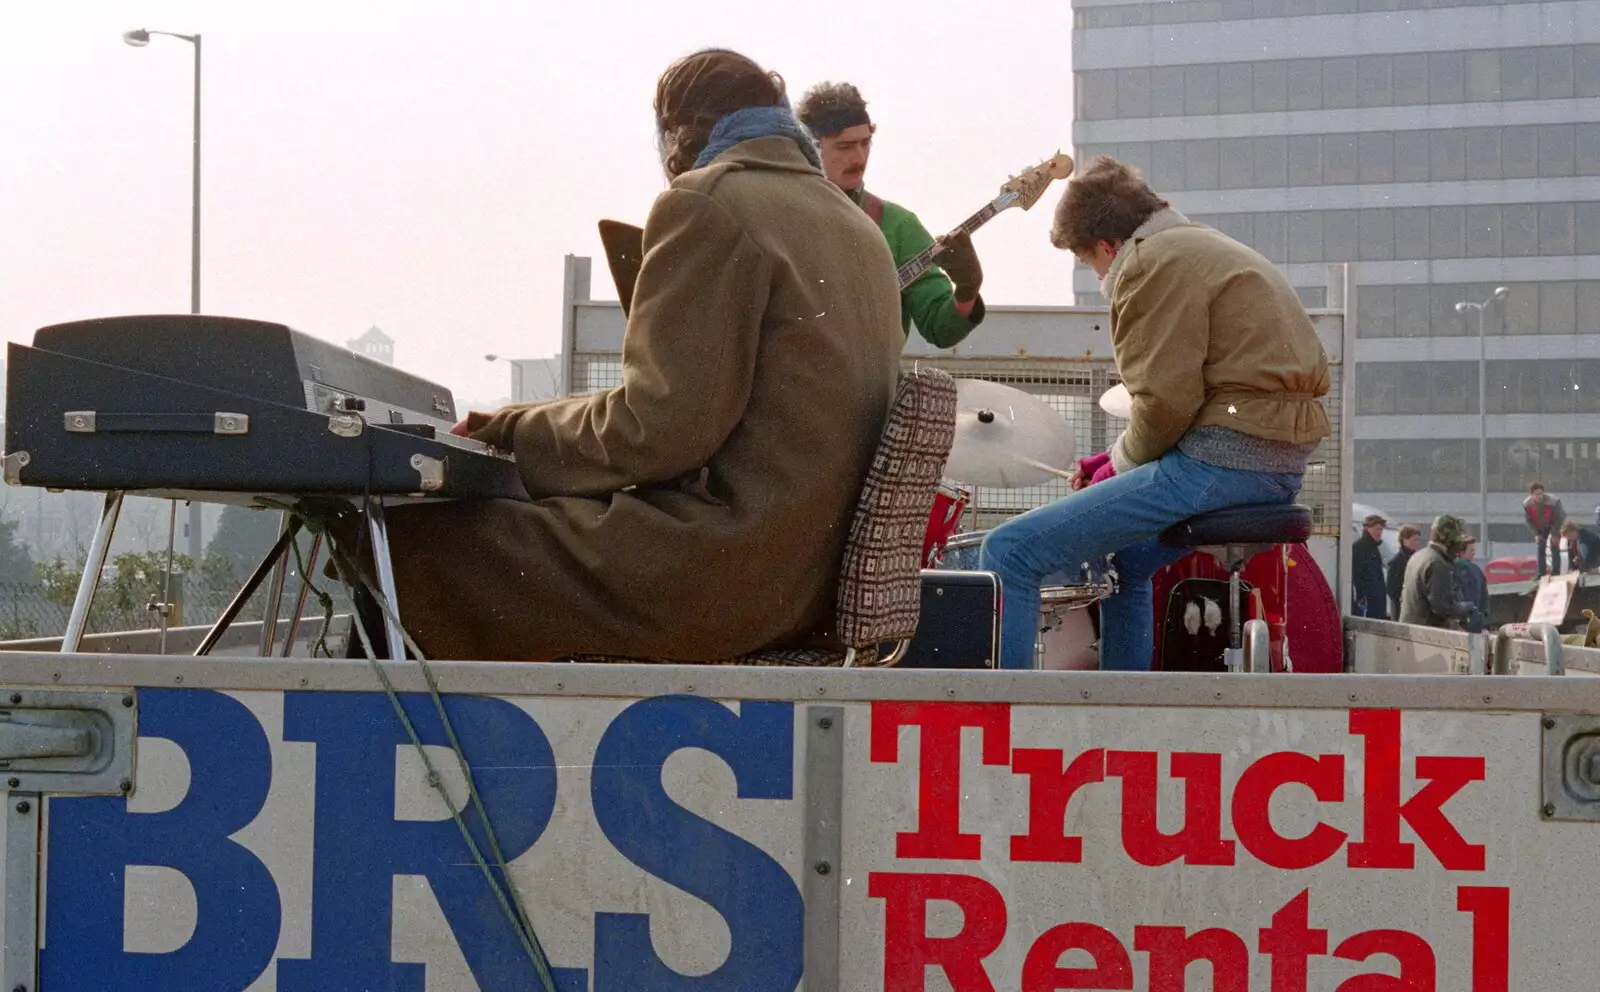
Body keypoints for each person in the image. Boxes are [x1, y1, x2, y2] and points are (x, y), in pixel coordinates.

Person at [348, 49, 903, 661]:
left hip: (720, 576)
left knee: (396, 541)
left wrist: (512, 432)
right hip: (802, 588)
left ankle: (382, 754)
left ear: (676, 136)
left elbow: (661, 428)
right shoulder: (859, 231)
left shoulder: (707, 200)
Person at [978, 156, 1330, 671]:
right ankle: (1123, 710)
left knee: (1008, 552)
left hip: (1224, 461)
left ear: (1107, 245)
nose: (1097, 274)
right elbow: (1197, 399)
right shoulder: (1202, 247)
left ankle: (1004, 727)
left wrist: (1115, 466)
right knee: (1124, 561)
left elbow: (1166, 404)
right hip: (1272, 460)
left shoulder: (1149, 262)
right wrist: (1112, 460)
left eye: (1088, 262)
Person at [794, 82, 985, 349]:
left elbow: (939, 329)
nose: (860, 157)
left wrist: (967, 289)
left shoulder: (897, 225)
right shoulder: (780, 218)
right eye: (845, 147)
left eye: (865, 143)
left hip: (873, 387)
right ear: (810, 149)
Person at [1400, 515, 1478, 629]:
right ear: (1449, 539)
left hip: (1410, 629)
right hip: (1427, 634)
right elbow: (1442, 607)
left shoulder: (1418, 556)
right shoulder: (1437, 563)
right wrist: (1466, 608)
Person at [1352, 513, 1389, 620]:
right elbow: (1356, 575)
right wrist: (1362, 598)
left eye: (1381, 530)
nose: (1380, 533)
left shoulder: (1374, 548)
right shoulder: (1359, 548)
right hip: (1367, 604)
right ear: (1367, 528)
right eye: (1377, 529)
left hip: (1376, 603)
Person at [1524, 482, 1566, 577]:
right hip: (1540, 525)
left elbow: (1559, 518)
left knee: (1554, 545)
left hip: (1554, 523)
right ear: (1532, 495)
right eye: (1537, 494)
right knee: (1541, 545)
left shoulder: (1553, 501)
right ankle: (1541, 572)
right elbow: (1528, 521)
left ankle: (1556, 572)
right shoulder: (1527, 504)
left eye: (1541, 493)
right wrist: (1536, 534)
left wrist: (1555, 534)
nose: (1539, 496)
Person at [1454, 535, 1490, 631]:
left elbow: (1484, 594)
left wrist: (1483, 615)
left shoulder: (1476, 570)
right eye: (1471, 550)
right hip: (1462, 620)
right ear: (1461, 552)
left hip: (1475, 618)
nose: (1474, 553)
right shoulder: (1454, 570)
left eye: (1474, 550)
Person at [1386, 524, 1422, 619]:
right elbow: (1391, 589)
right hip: (1401, 611)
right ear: (1404, 540)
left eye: (1418, 540)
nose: (1417, 543)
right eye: (1414, 540)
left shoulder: (1418, 558)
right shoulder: (1396, 562)